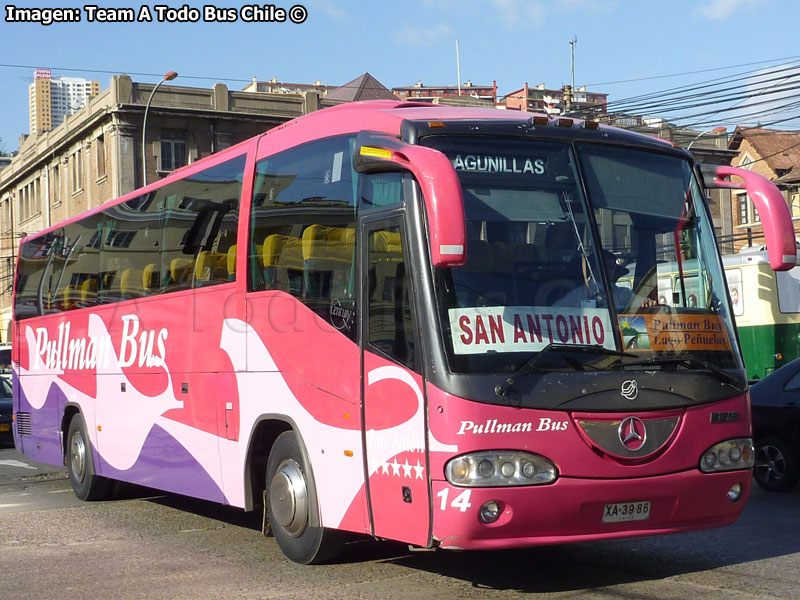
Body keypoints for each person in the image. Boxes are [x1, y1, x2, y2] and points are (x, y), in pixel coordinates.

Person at [554, 249, 637, 310]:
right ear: (592, 268)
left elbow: (642, 303)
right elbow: (554, 310)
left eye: (611, 266)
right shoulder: (579, 294)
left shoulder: (624, 293)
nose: (608, 270)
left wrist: (647, 303)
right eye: (603, 266)